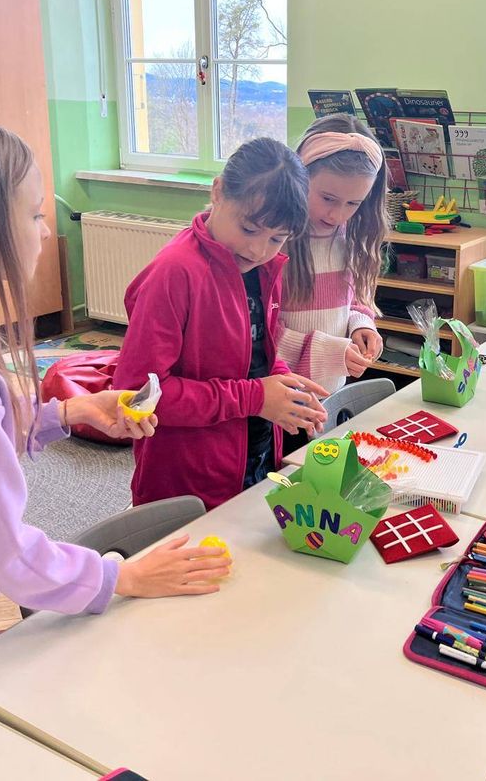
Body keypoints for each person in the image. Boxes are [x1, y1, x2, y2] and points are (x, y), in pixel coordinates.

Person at [0, 116, 232, 663]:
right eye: (33, 215)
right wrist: (121, 575)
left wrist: (69, 411)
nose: (44, 230)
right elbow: (10, 556)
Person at [113, 138, 327, 510]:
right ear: (218, 192)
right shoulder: (174, 273)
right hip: (188, 484)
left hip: (252, 460)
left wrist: (283, 384)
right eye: (248, 229)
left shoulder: (260, 267)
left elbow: (253, 352)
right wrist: (256, 397)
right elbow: (137, 395)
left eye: (277, 238)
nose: (259, 249)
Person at [278, 113, 390, 395]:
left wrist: (360, 326)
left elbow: (354, 301)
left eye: (353, 203)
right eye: (328, 198)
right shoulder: (273, 241)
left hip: (329, 394)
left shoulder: (350, 236)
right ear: (300, 176)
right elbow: (261, 333)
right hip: (281, 401)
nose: (338, 215)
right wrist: (330, 352)